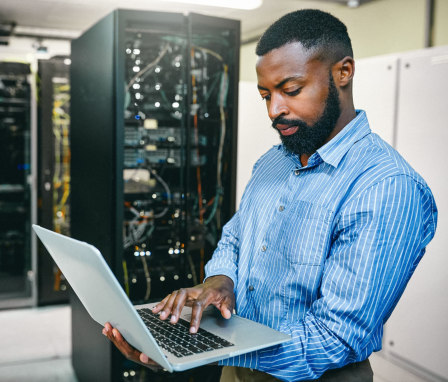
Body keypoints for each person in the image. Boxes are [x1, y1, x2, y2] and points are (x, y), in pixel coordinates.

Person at [103, 9, 437, 381]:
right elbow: (236, 236)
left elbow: (335, 338)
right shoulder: (273, 162)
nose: (275, 110)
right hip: (236, 365)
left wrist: (191, 349)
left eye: (290, 90)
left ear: (343, 72)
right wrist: (221, 280)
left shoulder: (386, 187)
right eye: (266, 95)